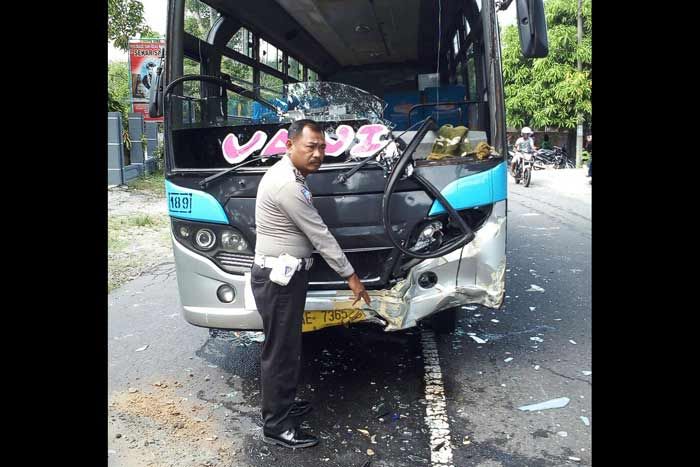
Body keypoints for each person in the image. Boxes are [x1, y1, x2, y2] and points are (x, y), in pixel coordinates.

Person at [251, 119, 371, 449]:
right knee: (281, 352)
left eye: (322, 148)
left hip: (284, 276)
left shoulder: (291, 175)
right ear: (289, 146)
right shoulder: (287, 184)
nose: (318, 154)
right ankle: (276, 425)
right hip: (279, 280)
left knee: (284, 347)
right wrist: (351, 276)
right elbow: (320, 234)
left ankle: (282, 405)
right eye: (310, 147)